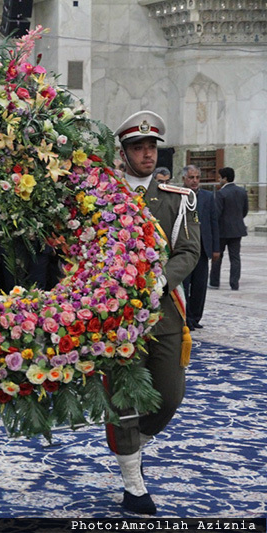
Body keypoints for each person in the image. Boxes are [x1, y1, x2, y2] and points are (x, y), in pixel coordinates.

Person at [109, 111, 200, 514]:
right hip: (115, 316)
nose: (147, 154)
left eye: (151, 147)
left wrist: (160, 280)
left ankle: (132, 443)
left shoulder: (177, 199)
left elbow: (189, 251)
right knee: (124, 399)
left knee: (170, 395)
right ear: (123, 153)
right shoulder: (103, 196)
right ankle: (133, 482)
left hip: (163, 312)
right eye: (138, 147)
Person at [181, 165, 219, 330]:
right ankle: (185, 317)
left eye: (197, 177)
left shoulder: (208, 197)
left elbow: (214, 222)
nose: (195, 181)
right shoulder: (177, 196)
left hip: (202, 249)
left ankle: (196, 317)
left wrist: (215, 248)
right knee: (184, 285)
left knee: (200, 285)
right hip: (184, 249)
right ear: (184, 179)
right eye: (191, 177)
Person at [210, 167, 248, 291]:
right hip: (237, 230)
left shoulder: (221, 193)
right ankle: (234, 283)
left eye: (220, 177)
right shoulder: (242, 191)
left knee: (217, 256)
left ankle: (215, 282)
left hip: (222, 231)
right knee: (235, 257)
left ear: (225, 178)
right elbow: (245, 210)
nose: (219, 180)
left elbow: (217, 213)